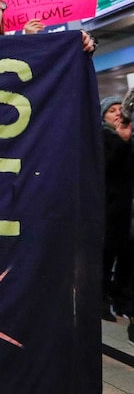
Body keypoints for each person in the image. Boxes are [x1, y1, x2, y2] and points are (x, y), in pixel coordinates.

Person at [99, 96, 134, 323]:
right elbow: (106, 169)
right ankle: (100, 302)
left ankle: (124, 304)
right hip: (108, 212)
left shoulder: (129, 138)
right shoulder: (101, 137)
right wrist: (122, 142)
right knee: (104, 258)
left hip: (127, 213)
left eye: (119, 109)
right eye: (111, 110)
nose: (117, 113)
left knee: (127, 261)